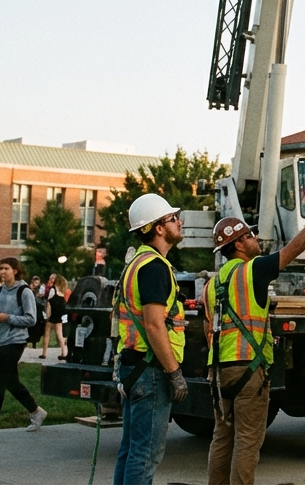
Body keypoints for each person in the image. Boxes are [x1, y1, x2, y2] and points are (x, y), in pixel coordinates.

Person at [205, 195, 305, 485]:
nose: (255, 238)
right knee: (248, 440)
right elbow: (292, 250)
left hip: (219, 371)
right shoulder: (254, 269)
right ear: (238, 244)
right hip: (248, 368)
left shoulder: (212, 283)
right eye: (249, 235)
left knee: (222, 437)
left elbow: (209, 328)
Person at [114, 194, 191, 485]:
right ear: (159, 228)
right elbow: (155, 325)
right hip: (151, 370)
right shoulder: (155, 267)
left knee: (131, 451)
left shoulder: (137, 263)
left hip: (134, 366)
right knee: (146, 455)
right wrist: (174, 372)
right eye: (173, 218)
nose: (179, 222)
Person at [0, 258, 48, 439]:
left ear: (15, 271)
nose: (2, 272)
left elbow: (31, 319)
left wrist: (6, 317)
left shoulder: (24, 291)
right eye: (1, 268)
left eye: (6, 268)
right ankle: (36, 412)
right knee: (11, 382)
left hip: (16, 340)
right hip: (1, 339)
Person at [40, 274, 66, 360]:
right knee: (59, 334)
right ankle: (63, 352)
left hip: (52, 314)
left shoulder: (53, 289)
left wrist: (47, 315)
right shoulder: (62, 291)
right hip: (59, 314)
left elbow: (49, 303)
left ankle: (44, 353)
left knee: (47, 334)